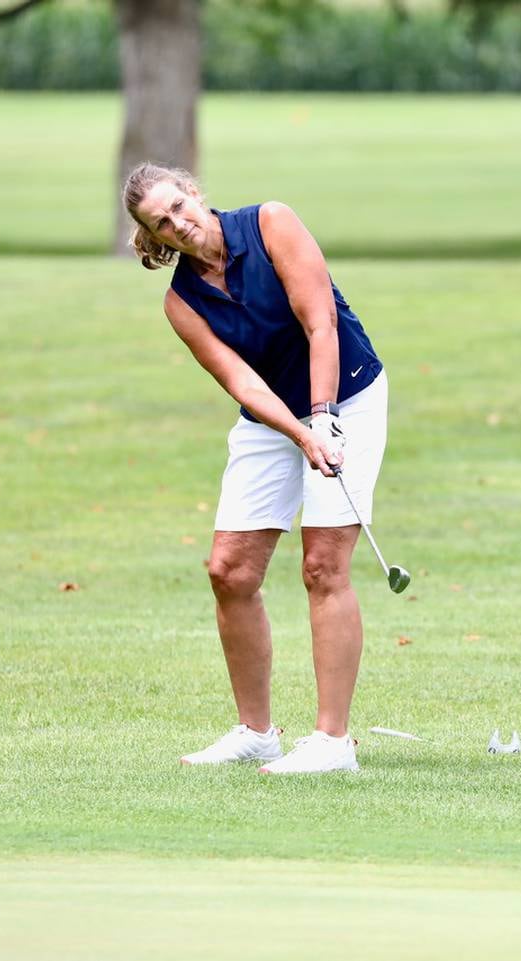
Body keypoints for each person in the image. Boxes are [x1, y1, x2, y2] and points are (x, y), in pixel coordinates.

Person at [122, 162, 389, 774]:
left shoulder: (271, 223)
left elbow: (319, 322)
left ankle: (331, 743)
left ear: (194, 193)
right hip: (272, 417)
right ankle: (257, 732)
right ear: (153, 238)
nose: (178, 224)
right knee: (229, 571)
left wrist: (322, 421)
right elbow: (239, 378)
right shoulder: (182, 302)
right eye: (161, 223)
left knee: (324, 565)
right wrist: (298, 433)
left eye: (179, 206)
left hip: (347, 394)